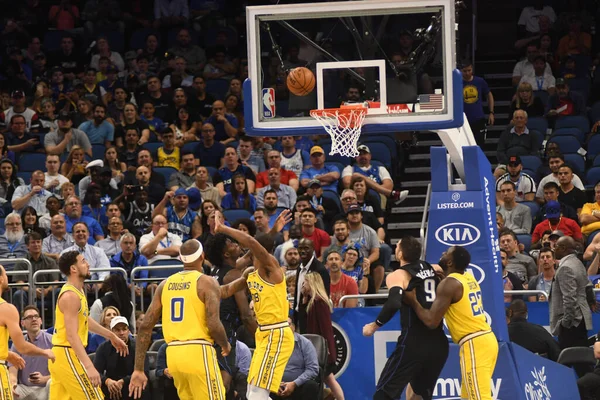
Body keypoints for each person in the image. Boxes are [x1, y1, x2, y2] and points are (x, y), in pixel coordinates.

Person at [128, 239, 249, 400]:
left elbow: (145, 327)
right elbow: (213, 324)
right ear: (202, 257)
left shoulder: (165, 284)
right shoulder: (206, 281)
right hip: (198, 352)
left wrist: (138, 369)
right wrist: (224, 344)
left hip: (174, 356)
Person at [211, 211, 295, 400]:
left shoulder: (271, 268)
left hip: (277, 333)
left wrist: (223, 228)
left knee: (258, 393)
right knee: (252, 391)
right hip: (263, 335)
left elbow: (251, 242)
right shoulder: (250, 272)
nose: (244, 249)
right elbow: (225, 291)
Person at [404, 246, 498, 400]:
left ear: (450, 263)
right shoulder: (469, 277)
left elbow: (431, 321)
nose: (443, 253)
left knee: (479, 398)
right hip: (486, 339)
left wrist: (413, 300)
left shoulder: (449, 284)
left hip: (474, 342)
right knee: (468, 397)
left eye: (446, 253)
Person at [363, 236, 449, 400]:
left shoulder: (399, 275)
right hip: (439, 343)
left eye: (397, 247)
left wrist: (374, 325)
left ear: (400, 254)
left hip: (414, 342)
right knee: (420, 395)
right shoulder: (434, 268)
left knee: (383, 394)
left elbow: (394, 302)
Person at [49, 251, 128, 400]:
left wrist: (111, 335)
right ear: (73, 269)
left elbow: (85, 321)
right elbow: (72, 336)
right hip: (67, 353)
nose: (88, 264)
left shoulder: (77, 292)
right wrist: (89, 366)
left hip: (62, 355)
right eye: (83, 261)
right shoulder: (70, 296)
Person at [205, 233, 258, 394]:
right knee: (223, 385)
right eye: (232, 244)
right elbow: (246, 315)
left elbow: (252, 248)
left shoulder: (216, 271)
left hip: (207, 329)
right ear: (226, 254)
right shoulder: (233, 275)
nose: (237, 245)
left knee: (212, 383)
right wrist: (261, 338)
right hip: (224, 331)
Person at [0, 265, 55, 400]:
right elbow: (22, 347)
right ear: (1, 279)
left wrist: (7, 354)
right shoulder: (6, 309)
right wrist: (45, 352)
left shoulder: (50, 338)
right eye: (6, 274)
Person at [300, 272, 345, 400]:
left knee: (329, 379)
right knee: (327, 379)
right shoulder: (310, 302)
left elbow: (325, 329)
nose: (303, 284)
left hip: (321, 350)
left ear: (312, 283)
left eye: (305, 282)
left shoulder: (319, 302)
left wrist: (328, 351)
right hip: (315, 348)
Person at [550, 237, 593, 360]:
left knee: (566, 359)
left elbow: (569, 298)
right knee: (582, 360)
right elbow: (588, 285)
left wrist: (566, 323)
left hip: (572, 323)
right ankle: (590, 378)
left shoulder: (565, 267)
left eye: (556, 246)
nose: (554, 248)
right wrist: (591, 301)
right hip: (581, 319)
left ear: (563, 248)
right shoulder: (577, 263)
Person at [94, 316, 150, 400]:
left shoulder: (138, 347)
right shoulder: (103, 348)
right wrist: (107, 381)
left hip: (132, 382)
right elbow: (96, 372)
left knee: (142, 384)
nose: (121, 333)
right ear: (111, 332)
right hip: (111, 385)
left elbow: (144, 370)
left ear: (128, 331)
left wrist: (123, 381)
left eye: (124, 329)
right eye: (117, 330)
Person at [8, 305, 53, 400]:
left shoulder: (53, 341)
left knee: (52, 382)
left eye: (36, 316)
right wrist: (12, 383)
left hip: (45, 388)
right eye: (29, 317)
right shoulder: (17, 344)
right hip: (24, 389)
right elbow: (13, 369)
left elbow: (61, 371)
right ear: (22, 323)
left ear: (41, 321)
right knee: (8, 389)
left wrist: (44, 379)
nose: (33, 319)